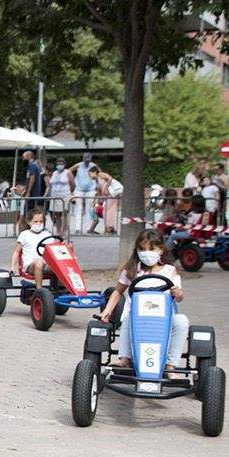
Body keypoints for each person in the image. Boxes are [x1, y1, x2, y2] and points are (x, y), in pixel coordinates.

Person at [100, 230, 188, 369]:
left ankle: (171, 364)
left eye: (151, 249)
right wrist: (107, 310)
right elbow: (118, 291)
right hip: (138, 316)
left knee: (182, 321)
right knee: (128, 318)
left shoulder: (169, 270)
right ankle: (124, 359)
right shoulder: (131, 270)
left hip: (164, 317)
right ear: (137, 251)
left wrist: (178, 293)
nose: (147, 253)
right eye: (142, 249)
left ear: (161, 250)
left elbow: (179, 298)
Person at [12, 206, 55, 287]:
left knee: (60, 264)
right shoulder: (24, 234)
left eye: (41, 221)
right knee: (38, 262)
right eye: (36, 222)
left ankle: (64, 287)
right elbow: (16, 252)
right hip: (30, 265)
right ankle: (39, 289)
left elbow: (54, 249)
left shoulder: (47, 235)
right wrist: (12, 267)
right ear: (29, 222)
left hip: (45, 264)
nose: (38, 224)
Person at [72, 152, 97, 234]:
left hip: (90, 189)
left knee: (89, 209)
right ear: (83, 159)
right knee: (78, 208)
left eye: (88, 160)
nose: (87, 161)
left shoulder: (93, 166)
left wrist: (96, 185)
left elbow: (99, 174)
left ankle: (88, 228)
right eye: (85, 160)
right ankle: (78, 228)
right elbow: (69, 171)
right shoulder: (78, 165)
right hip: (79, 189)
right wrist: (73, 182)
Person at [47, 158, 72, 234]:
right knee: (57, 214)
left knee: (65, 214)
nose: (59, 165)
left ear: (64, 164)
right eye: (58, 163)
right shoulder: (54, 173)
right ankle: (58, 230)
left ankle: (64, 231)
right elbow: (50, 184)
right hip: (55, 196)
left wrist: (70, 192)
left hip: (65, 196)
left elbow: (73, 184)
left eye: (61, 163)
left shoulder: (68, 172)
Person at [21, 149, 47, 215]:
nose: (23, 159)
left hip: (33, 194)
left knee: (28, 214)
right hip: (34, 194)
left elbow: (32, 178)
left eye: (24, 157)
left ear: (29, 156)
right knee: (31, 213)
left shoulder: (32, 165)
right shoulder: (35, 165)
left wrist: (28, 192)